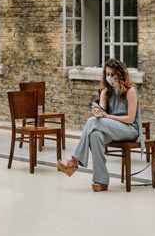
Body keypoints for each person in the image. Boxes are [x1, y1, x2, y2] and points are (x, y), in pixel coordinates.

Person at [57, 58, 142, 191]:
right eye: (107, 74)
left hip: (129, 130)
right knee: (95, 135)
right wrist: (97, 110)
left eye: (112, 74)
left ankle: (74, 161)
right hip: (112, 128)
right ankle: (101, 180)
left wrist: (107, 116)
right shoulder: (106, 91)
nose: (109, 77)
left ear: (120, 74)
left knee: (92, 122)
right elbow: (101, 111)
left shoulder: (130, 91)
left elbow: (130, 119)